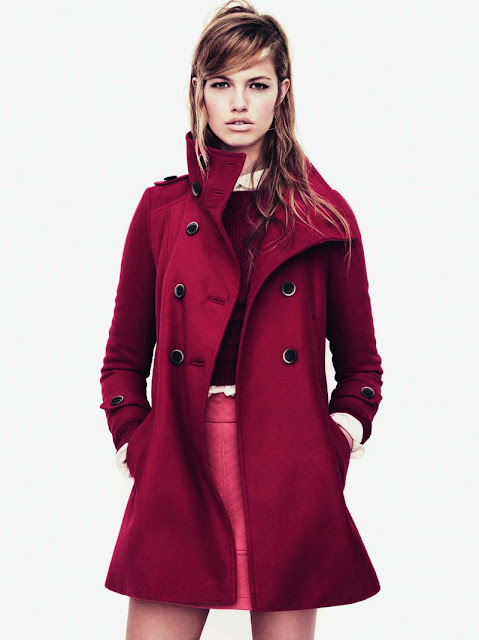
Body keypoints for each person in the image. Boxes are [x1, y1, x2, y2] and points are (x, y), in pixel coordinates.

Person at [99, 1, 384, 638]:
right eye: (221, 83)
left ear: (282, 93)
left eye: (256, 84)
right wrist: (135, 442)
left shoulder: (324, 215)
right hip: (180, 463)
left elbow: (361, 365)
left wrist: (337, 439)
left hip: (289, 470)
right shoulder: (161, 211)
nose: (238, 104)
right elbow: (122, 358)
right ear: (198, 93)